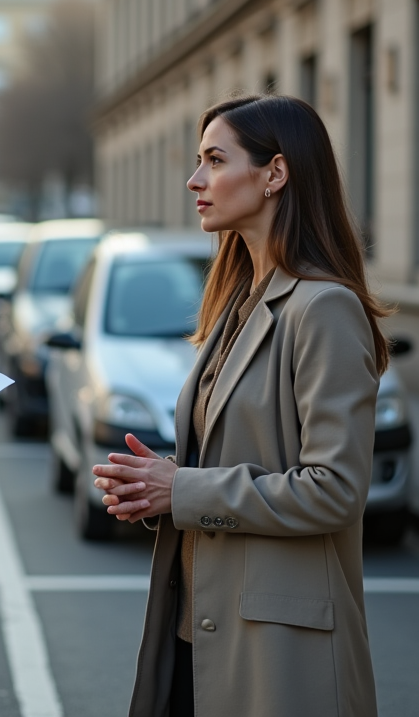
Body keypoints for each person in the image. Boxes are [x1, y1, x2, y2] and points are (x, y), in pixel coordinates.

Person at [92, 95, 388, 717]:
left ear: (275, 174)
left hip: (279, 655)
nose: (195, 180)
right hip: (200, 635)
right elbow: (235, 456)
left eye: (215, 160)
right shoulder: (236, 303)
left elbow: (335, 489)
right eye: (199, 161)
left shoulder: (322, 308)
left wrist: (185, 490)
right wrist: (156, 488)